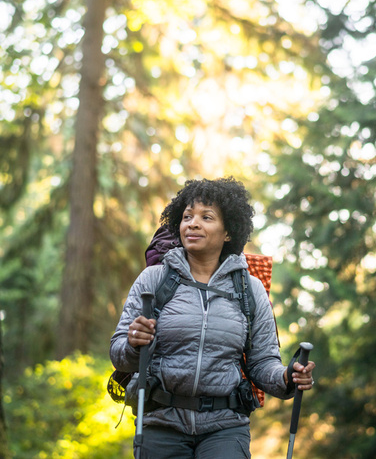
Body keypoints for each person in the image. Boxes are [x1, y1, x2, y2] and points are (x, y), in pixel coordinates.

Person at [110, 177, 315, 458]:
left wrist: (287, 378)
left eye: (206, 217)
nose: (193, 224)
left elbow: (262, 363)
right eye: (187, 217)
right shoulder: (154, 280)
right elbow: (118, 353)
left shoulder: (249, 290)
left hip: (225, 428)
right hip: (160, 423)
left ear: (228, 232)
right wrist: (133, 343)